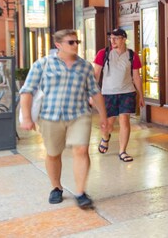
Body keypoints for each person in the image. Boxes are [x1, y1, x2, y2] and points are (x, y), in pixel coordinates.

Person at [19, 29, 110, 209]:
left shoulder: (85, 66)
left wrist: (104, 117)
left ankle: (80, 192)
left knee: (82, 150)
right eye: (71, 42)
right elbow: (27, 91)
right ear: (58, 45)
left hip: (79, 114)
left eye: (77, 42)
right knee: (53, 154)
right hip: (50, 117)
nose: (75, 45)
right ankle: (56, 187)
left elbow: (95, 92)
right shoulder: (42, 64)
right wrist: (27, 117)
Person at [93, 28, 145, 162]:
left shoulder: (132, 55)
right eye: (111, 38)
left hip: (127, 93)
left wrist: (141, 95)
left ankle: (122, 151)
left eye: (116, 38)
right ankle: (105, 138)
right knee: (108, 124)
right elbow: (96, 74)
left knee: (124, 120)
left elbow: (136, 77)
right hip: (108, 93)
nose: (113, 40)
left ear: (124, 39)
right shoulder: (103, 53)